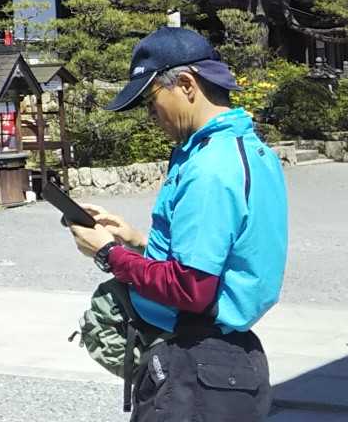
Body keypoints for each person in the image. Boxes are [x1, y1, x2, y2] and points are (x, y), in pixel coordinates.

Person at [68, 26, 289, 421]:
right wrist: (137, 241)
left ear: (186, 84)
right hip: (228, 357)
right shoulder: (248, 149)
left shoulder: (210, 167)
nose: (151, 115)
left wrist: (108, 253)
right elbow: (224, 251)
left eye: (152, 100)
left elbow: (191, 288)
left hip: (196, 365)